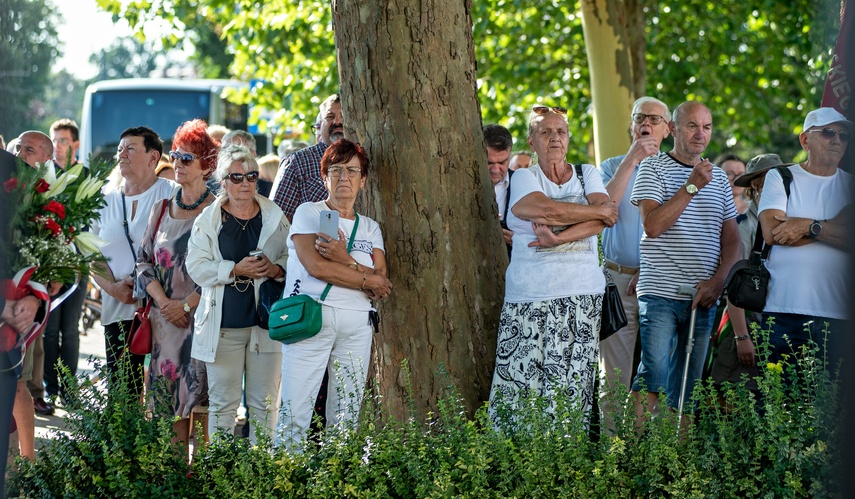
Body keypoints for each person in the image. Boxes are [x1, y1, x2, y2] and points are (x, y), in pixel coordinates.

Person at [488, 105, 617, 422]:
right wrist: (595, 212)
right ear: (531, 141)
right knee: (519, 389)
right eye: (545, 132)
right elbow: (543, 211)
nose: (554, 138)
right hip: (529, 298)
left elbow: (608, 218)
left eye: (560, 131)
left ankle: (563, 466)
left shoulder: (588, 174)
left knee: (571, 389)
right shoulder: (523, 177)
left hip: (582, 296)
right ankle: (513, 465)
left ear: (569, 138)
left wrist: (559, 238)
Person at [275, 139, 392, 451]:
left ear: (363, 180)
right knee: (295, 410)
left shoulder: (370, 227)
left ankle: (336, 479)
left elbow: (382, 283)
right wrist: (363, 277)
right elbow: (316, 268)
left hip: (357, 325)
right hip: (311, 318)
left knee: (346, 415)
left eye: (352, 171)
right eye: (336, 171)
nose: (344, 178)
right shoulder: (309, 213)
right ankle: (283, 480)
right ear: (324, 176)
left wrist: (344, 258)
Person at [629, 101, 741, 419]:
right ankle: (630, 461)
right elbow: (652, 225)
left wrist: (718, 282)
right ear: (674, 129)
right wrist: (691, 185)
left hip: (703, 297)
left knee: (689, 386)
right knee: (653, 376)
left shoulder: (719, 179)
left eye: (706, 127)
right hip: (660, 291)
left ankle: (678, 465)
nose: (700, 134)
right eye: (692, 126)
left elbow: (732, 241)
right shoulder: (653, 168)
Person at [186, 144, 290, 444]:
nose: (245, 183)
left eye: (251, 176)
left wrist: (274, 269)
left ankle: (261, 474)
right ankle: (221, 476)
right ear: (223, 180)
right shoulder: (209, 219)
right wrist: (234, 271)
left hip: (266, 326)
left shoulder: (273, 214)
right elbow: (196, 266)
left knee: (265, 405)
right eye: (236, 177)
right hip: (224, 327)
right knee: (223, 406)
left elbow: (291, 257)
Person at [135, 119, 216, 460]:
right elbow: (143, 263)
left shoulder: (219, 211)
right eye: (176, 155)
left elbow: (224, 269)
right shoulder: (159, 209)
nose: (178, 164)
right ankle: (174, 480)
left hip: (203, 320)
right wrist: (166, 302)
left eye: (188, 158)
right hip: (165, 324)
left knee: (203, 409)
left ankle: (206, 482)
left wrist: (186, 305)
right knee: (170, 410)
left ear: (206, 166)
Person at [758, 107, 852, 371]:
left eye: (844, 135)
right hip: (783, 312)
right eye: (828, 132)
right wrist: (836, 228)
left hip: (841, 317)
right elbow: (773, 232)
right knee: (778, 405)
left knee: (833, 407)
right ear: (804, 140)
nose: (837, 140)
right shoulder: (781, 177)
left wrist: (806, 226)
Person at [598, 96, 671, 433]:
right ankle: (613, 457)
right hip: (616, 281)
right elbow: (604, 208)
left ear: (668, 130)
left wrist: (650, 266)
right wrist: (634, 158)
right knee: (613, 375)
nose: (647, 123)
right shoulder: (611, 166)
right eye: (640, 117)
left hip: (661, 283)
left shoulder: (676, 170)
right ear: (631, 125)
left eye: (656, 119)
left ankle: (649, 454)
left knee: (658, 372)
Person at [91, 127, 175, 396]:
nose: (121, 154)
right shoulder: (103, 199)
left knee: (164, 389)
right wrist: (112, 287)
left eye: (131, 149)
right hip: (118, 306)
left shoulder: (172, 194)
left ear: (153, 158)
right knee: (121, 390)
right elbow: (90, 253)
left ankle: (157, 440)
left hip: (164, 309)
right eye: (120, 149)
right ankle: (122, 440)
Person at [709, 154, 788, 390]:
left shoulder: (789, 219)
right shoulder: (745, 226)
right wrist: (742, 338)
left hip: (779, 324)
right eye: (772, 179)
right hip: (748, 328)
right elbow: (735, 286)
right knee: (737, 403)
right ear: (756, 186)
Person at [37, 119, 88, 413]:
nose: (58, 145)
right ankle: (49, 389)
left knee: (69, 330)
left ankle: (69, 391)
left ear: (75, 145)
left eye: (64, 140)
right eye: (55, 140)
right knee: (49, 328)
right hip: (49, 264)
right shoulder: (44, 174)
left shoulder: (85, 175)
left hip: (78, 263)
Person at [11, 133, 53, 458]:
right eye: (17, 147)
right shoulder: (6, 186)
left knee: (16, 384)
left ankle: (29, 461)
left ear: (45, 160)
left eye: (29, 149)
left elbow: (53, 256)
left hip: (22, 305)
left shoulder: (46, 199)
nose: (19, 152)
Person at [269, 94, 344, 222]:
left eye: (344, 116)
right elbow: (276, 221)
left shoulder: (366, 159)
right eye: (330, 117)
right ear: (319, 126)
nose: (337, 122)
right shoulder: (296, 163)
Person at [483, 124, 514, 252]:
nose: (495, 170)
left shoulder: (523, 183)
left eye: (502, 163)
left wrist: (519, 241)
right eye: (489, 163)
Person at [715, 153, 749, 218]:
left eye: (741, 174)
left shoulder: (754, 210)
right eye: (729, 173)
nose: (736, 179)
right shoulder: (708, 208)